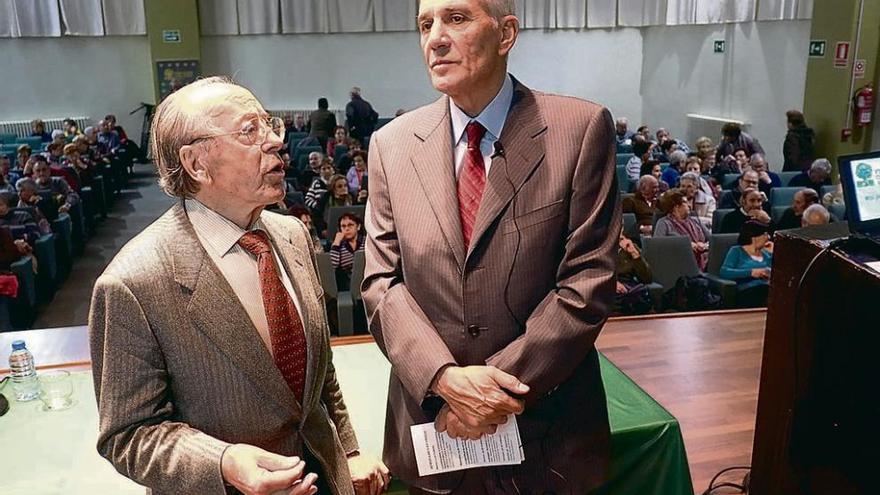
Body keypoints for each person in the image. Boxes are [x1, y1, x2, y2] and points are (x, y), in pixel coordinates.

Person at [362, 1, 618, 493]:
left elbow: (588, 283)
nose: (435, 38)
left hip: (546, 433)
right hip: (433, 427)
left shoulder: (579, 129)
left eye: (456, 19)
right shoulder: (391, 145)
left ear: (506, 34)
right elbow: (380, 283)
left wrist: (487, 392)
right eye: (425, 24)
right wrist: (445, 381)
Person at [88, 77, 388, 495]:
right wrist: (224, 462)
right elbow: (128, 434)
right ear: (196, 164)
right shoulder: (133, 283)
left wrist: (349, 451)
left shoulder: (291, 235)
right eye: (250, 131)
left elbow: (319, 375)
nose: (275, 142)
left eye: (269, 125)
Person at [720, 219, 773, 308]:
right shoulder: (736, 251)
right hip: (747, 291)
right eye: (765, 234)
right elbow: (724, 272)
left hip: (768, 289)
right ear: (755, 237)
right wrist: (751, 272)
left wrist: (773, 254)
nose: (769, 237)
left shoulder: (767, 254)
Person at [655, 189, 711, 270]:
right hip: (677, 264)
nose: (689, 205)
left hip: (703, 262)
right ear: (676, 207)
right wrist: (686, 245)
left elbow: (712, 240)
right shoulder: (664, 223)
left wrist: (705, 246)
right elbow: (658, 246)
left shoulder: (695, 220)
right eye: (685, 202)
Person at [615, 232, 654, 315]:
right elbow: (593, 273)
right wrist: (611, 283)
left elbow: (647, 278)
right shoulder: (598, 246)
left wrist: (634, 253)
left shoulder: (630, 246)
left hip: (629, 286)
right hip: (607, 285)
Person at [330, 212, 365, 291]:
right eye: (343, 226)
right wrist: (336, 243)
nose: (347, 229)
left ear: (358, 227)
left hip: (366, 278)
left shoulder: (366, 241)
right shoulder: (337, 245)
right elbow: (332, 266)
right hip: (348, 284)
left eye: (350, 225)